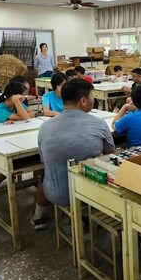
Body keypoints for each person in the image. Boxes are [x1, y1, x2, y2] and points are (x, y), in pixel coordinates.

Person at [34, 78, 115, 229]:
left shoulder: (45, 127)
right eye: (92, 97)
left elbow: (45, 160)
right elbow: (111, 155)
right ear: (83, 100)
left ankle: (38, 216)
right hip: (91, 193)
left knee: (44, 173)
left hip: (55, 193)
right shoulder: (99, 124)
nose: (93, 100)